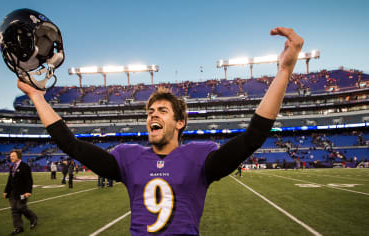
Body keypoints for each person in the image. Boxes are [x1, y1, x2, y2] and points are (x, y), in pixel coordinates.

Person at [17, 27, 303, 235]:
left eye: (162, 111)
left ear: (180, 123)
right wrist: (37, 98)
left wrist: (284, 72)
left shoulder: (199, 158)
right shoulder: (128, 157)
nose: (152, 114)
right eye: (150, 112)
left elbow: (253, 137)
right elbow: (73, 146)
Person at [3, 149, 38, 235]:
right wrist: (6, 191)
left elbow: (29, 180)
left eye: (13, 156)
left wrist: (28, 191)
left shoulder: (25, 166)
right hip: (12, 193)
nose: (11, 158)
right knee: (14, 210)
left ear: (18, 156)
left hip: (22, 192)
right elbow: (10, 180)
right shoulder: (12, 167)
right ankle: (18, 227)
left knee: (21, 207)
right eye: (10, 156)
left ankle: (33, 218)